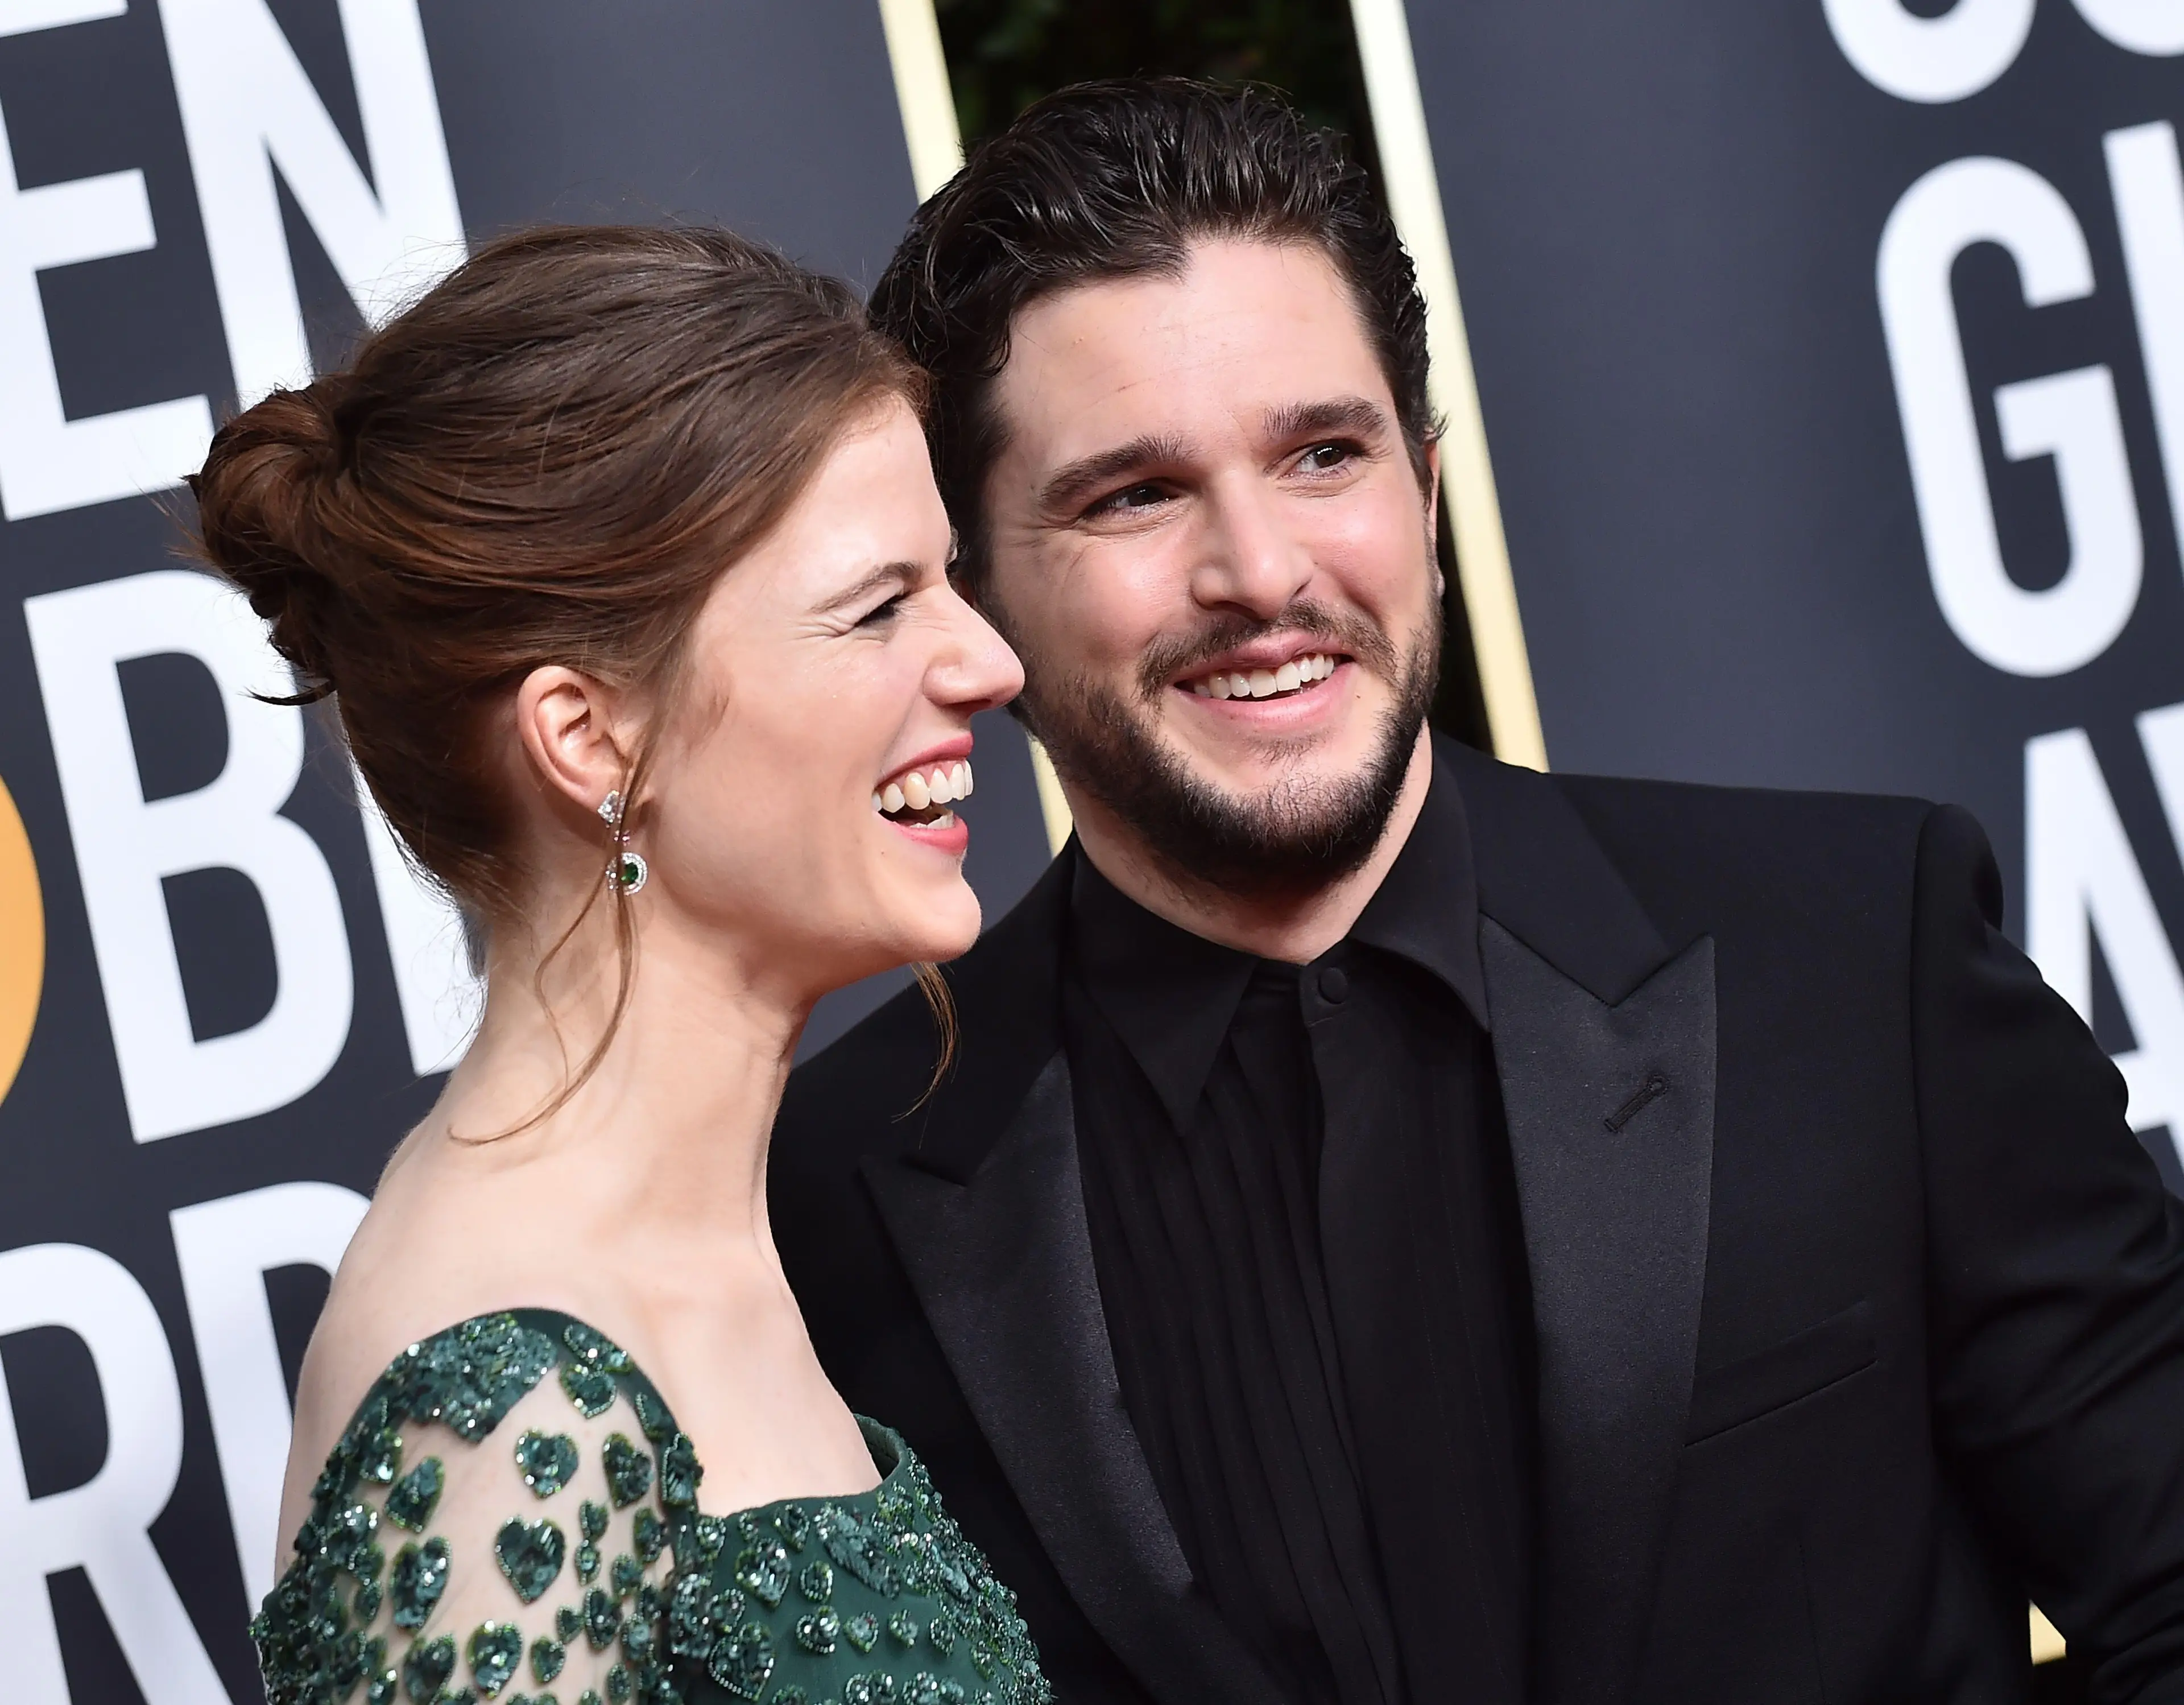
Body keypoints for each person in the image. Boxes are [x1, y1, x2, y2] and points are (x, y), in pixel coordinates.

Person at [770, 79, 2184, 1705]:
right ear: (976, 593)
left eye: (1322, 454)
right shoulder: (836, 1193)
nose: (1262, 572)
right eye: (1134, 495)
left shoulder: (1861, 955)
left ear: (1425, 497)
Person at [195, 225, 1049, 1705]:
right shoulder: (507, 1384)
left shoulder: (704, 1246)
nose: (986, 663)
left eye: (949, 584)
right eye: (877, 608)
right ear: (591, 739)